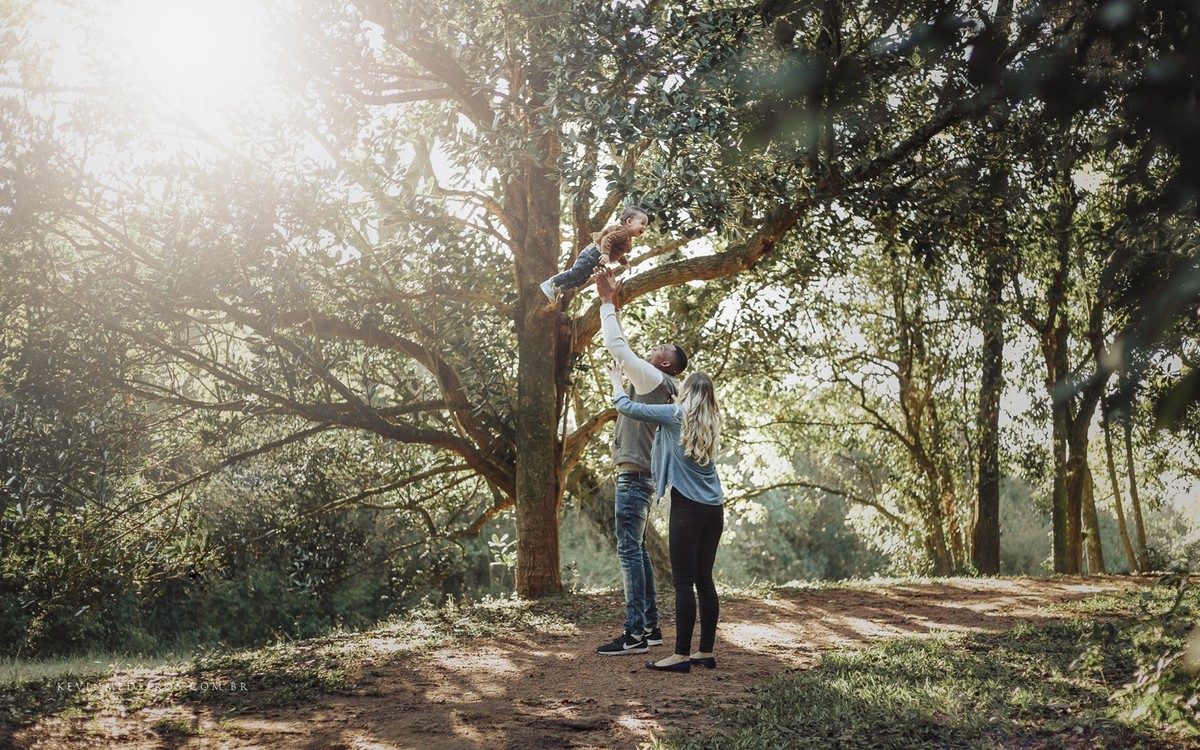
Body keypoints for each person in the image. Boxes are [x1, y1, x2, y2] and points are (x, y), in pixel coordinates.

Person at [594, 268, 688, 656]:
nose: (652, 350)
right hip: (640, 478)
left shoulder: (654, 381)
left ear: (664, 365)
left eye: (659, 351)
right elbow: (627, 348)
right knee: (638, 551)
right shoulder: (657, 385)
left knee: (629, 551)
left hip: (633, 479)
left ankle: (633, 634)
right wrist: (614, 304)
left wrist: (603, 303)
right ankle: (650, 629)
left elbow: (619, 349)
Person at [608, 362, 724, 674]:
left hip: (688, 510)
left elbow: (627, 406)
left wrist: (617, 381)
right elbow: (682, 419)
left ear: (686, 394)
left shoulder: (675, 415)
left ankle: (680, 655)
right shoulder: (711, 421)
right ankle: (705, 652)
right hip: (715, 510)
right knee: (705, 580)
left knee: (683, 582)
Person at [539, 207, 648, 302]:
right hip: (593, 254)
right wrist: (605, 253)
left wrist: (625, 263)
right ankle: (550, 283)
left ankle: (558, 289)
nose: (645, 227)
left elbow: (618, 252)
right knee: (576, 273)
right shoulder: (623, 233)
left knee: (581, 280)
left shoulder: (626, 238)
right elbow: (607, 239)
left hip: (596, 259)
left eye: (646, 225)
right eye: (642, 223)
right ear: (629, 222)